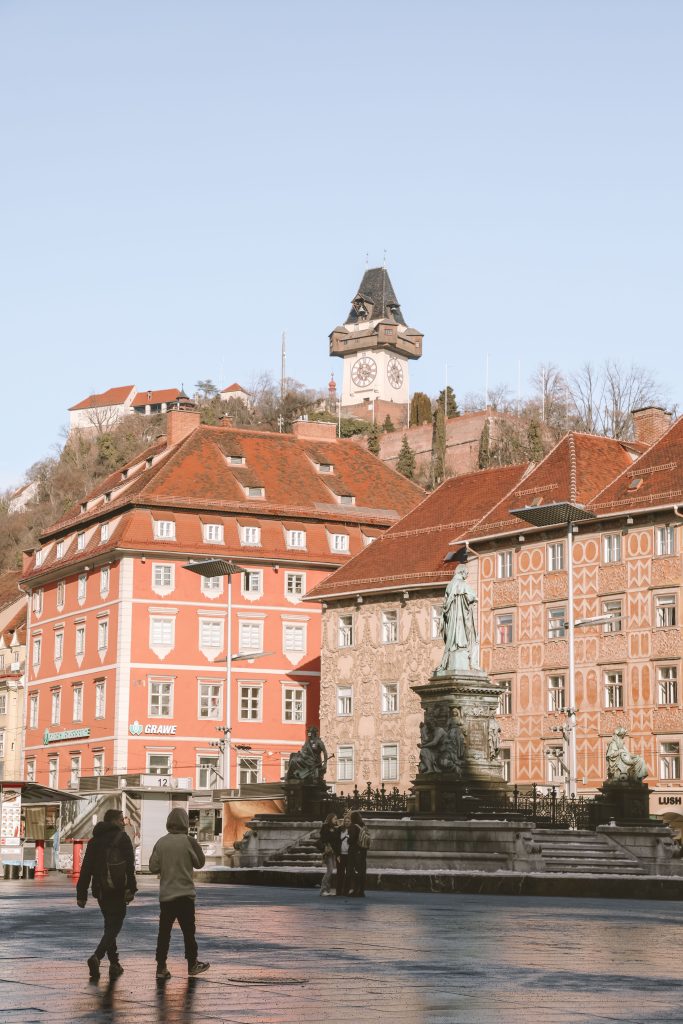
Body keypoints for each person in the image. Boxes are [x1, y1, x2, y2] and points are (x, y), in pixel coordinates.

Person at [76, 807, 137, 982]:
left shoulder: (94, 841)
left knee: (110, 924)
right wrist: (131, 889)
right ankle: (97, 956)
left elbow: (86, 868)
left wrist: (81, 894)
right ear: (112, 821)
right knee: (114, 925)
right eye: (120, 820)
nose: (123, 823)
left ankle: (114, 964)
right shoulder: (122, 838)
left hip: (101, 890)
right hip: (118, 889)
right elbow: (129, 866)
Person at [148, 808, 209, 979]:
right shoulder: (189, 841)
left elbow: (153, 867)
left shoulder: (161, 842)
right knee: (188, 932)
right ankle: (192, 964)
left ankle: (161, 967)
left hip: (167, 896)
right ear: (185, 822)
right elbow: (200, 863)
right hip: (185, 896)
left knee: (164, 933)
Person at [347, 811, 367, 897]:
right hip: (363, 851)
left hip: (354, 851)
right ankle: (361, 891)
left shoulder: (353, 826)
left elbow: (352, 839)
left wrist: (348, 839)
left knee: (354, 871)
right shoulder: (363, 825)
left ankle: (355, 890)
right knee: (362, 871)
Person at [319, 813, 339, 896]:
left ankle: (327, 889)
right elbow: (324, 838)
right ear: (330, 819)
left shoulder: (335, 828)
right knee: (329, 871)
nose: (336, 820)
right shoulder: (325, 826)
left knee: (330, 871)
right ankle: (323, 890)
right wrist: (332, 833)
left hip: (333, 852)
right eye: (335, 818)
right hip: (327, 852)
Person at [335, 813, 352, 896]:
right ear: (343, 822)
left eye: (348, 821)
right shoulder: (339, 829)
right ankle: (338, 891)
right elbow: (336, 842)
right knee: (340, 873)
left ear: (351, 822)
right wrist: (337, 854)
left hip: (349, 855)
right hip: (340, 855)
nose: (347, 822)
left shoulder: (353, 830)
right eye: (345, 821)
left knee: (348, 873)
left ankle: (346, 891)